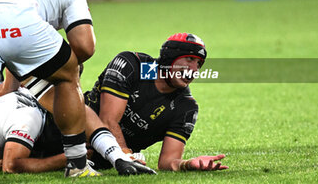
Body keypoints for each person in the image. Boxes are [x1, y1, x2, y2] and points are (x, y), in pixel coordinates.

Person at [0, 0, 98, 177]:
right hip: (18, 22)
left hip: (9, 17)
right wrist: (53, 70)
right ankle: (77, 164)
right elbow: (85, 46)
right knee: (67, 74)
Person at [85, 32, 229, 171]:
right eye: (189, 59)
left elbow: (168, 162)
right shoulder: (131, 65)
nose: (194, 70)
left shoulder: (186, 107)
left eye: (199, 64)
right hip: (69, 129)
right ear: (170, 58)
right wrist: (125, 154)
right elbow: (108, 120)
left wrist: (188, 164)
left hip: (101, 160)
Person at [0, 85, 156, 175]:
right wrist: (66, 158)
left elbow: (85, 116)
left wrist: (118, 156)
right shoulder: (29, 115)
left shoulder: (40, 95)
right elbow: (10, 166)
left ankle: (117, 157)